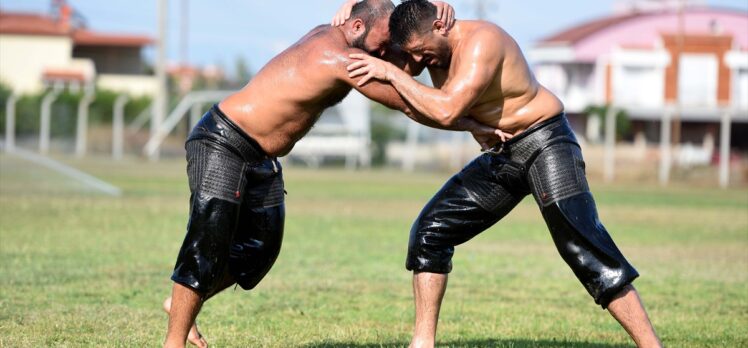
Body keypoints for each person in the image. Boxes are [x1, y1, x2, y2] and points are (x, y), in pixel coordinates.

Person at [161, 1, 505, 347]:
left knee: (258, 250)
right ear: (356, 28)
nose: (386, 54)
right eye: (384, 46)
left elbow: (394, 37)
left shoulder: (350, 34)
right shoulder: (338, 59)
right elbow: (408, 103)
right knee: (208, 241)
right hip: (226, 141)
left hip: (260, 156)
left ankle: (181, 304)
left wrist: (435, 13)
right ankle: (174, 340)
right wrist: (476, 125)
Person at [345, 1, 663, 347]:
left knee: (584, 247)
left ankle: (651, 345)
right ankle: (423, 343)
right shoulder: (425, 43)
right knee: (430, 233)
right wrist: (349, 15)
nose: (418, 62)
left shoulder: (483, 41)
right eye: (412, 55)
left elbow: (446, 109)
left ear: (440, 27)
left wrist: (392, 74)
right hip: (502, 156)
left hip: (546, 144)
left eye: (421, 53)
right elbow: (382, 40)